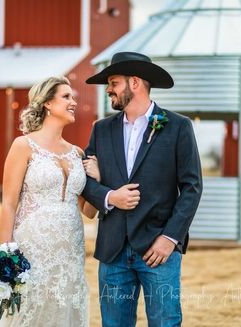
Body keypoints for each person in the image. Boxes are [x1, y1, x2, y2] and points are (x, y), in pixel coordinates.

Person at [81, 52, 203, 327]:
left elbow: (192, 187)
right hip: (113, 251)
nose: (108, 89)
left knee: (165, 323)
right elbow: (85, 180)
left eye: (113, 82)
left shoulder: (178, 127)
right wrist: (110, 197)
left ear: (134, 82)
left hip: (158, 250)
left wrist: (170, 238)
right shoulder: (101, 130)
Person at [0, 76, 97, 327]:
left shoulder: (77, 153)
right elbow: (9, 204)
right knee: (27, 311)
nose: (73, 102)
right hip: (33, 247)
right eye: (66, 97)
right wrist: (6, 254)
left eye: (73, 98)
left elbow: (89, 211)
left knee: (64, 308)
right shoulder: (23, 145)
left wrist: (97, 177)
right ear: (48, 103)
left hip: (70, 252)